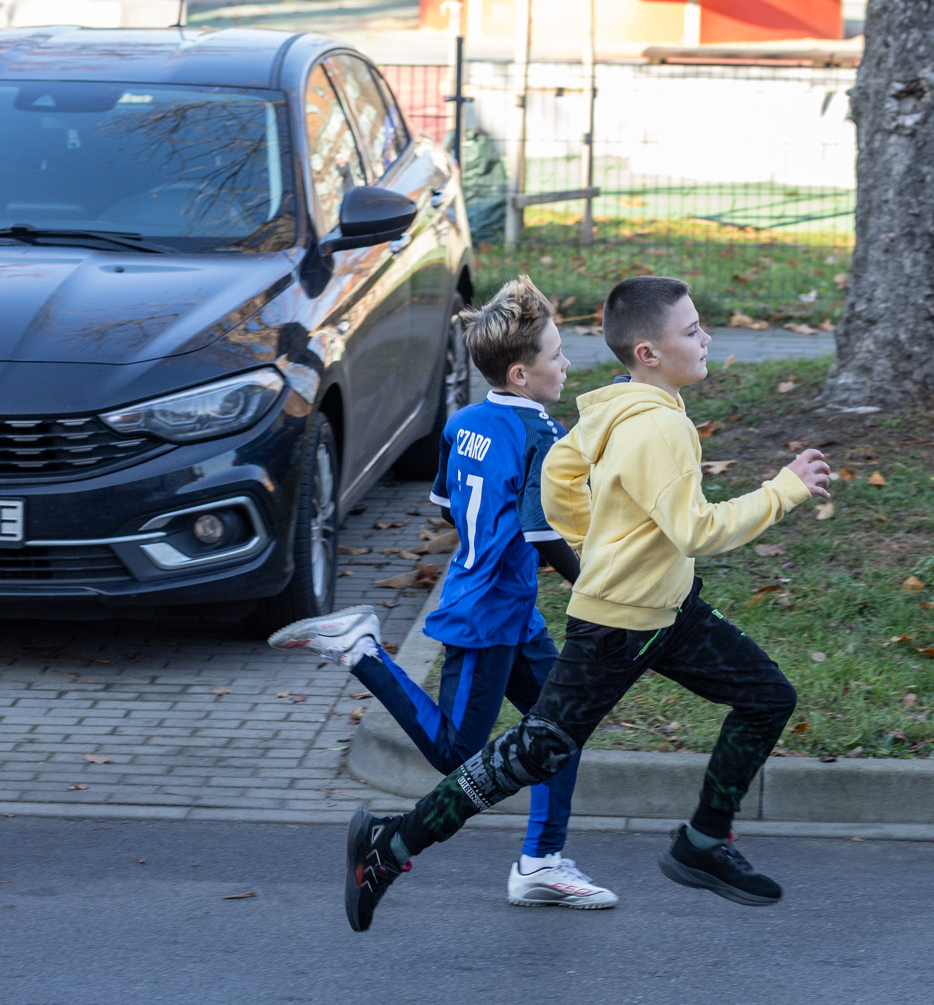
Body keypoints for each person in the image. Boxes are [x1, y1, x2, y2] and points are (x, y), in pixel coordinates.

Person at [339, 274, 832, 931]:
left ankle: (705, 841)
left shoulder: (615, 404)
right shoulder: (661, 428)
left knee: (768, 696)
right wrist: (784, 489)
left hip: (671, 612)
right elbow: (697, 531)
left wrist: (592, 541)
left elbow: (561, 475)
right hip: (618, 628)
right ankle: (391, 843)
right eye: (692, 331)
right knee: (532, 754)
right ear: (649, 353)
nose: (707, 337)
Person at [268, 275, 617, 910]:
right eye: (557, 354)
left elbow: (448, 506)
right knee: (458, 751)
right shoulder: (541, 434)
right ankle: (362, 652)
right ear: (520, 373)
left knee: (561, 727)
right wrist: (593, 583)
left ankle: (541, 863)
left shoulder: (463, 422)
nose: (566, 363)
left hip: (503, 603)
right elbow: (542, 531)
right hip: (488, 614)